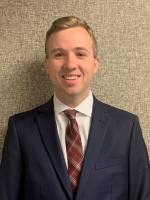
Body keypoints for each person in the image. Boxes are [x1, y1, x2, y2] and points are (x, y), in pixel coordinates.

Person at [0, 16, 150, 200]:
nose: (70, 64)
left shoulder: (127, 128)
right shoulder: (20, 130)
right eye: (59, 54)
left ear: (95, 64)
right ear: (47, 64)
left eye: (80, 54)